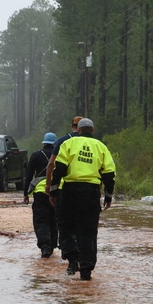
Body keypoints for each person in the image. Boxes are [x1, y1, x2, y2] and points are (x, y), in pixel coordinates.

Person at [48, 118, 116, 281]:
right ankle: (86, 270)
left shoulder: (68, 144)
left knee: (66, 226)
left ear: (78, 129)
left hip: (70, 191)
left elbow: (59, 169)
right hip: (91, 193)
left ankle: (72, 261)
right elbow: (109, 174)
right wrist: (108, 196)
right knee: (88, 231)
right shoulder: (101, 147)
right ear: (92, 130)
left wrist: (53, 191)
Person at [45, 115, 83, 259]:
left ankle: (69, 254)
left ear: (72, 126)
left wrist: (49, 185)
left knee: (64, 222)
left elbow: (51, 164)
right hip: (86, 189)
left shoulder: (62, 140)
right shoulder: (93, 143)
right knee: (81, 223)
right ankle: (81, 252)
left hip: (63, 189)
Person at [23, 132, 58, 258]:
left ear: (43, 143)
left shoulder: (36, 155)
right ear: (55, 143)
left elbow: (28, 175)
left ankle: (45, 247)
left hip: (39, 192)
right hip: (56, 191)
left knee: (41, 220)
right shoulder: (59, 155)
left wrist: (26, 193)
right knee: (54, 219)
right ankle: (53, 245)